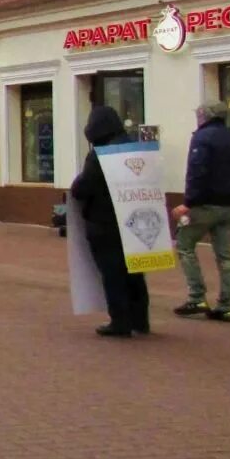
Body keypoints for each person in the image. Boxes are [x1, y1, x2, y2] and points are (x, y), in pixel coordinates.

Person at [68, 104, 150, 338]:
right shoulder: (136, 149)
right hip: (135, 220)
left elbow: (82, 188)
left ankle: (120, 321)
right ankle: (140, 319)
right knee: (135, 272)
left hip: (104, 222)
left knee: (112, 272)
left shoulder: (100, 155)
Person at [172, 103, 230, 322]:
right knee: (225, 256)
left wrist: (189, 203)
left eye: (198, 114)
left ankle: (197, 297)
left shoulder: (202, 138)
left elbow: (198, 171)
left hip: (205, 205)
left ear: (205, 116)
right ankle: (226, 305)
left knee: (184, 245)